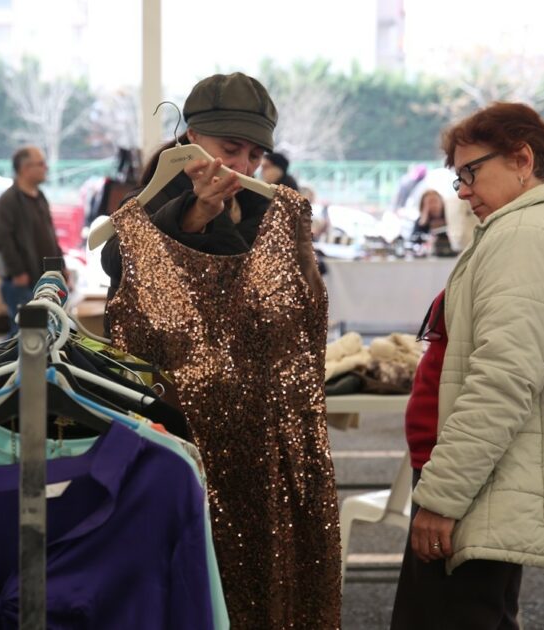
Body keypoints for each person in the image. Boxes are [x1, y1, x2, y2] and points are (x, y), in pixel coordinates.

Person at [100, 72, 340, 628]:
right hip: (172, 447)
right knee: (181, 586)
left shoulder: (278, 215)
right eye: (231, 149)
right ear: (190, 139)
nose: (246, 165)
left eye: (256, 154)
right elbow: (123, 261)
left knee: (266, 595)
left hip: (271, 450)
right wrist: (194, 218)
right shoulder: (145, 209)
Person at [391, 102, 544, 628]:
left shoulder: (529, 235)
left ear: (523, 159)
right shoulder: (538, 226)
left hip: (479, 483)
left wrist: (442, 498)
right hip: (486, 477)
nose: (462, 191)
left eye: (471, 172)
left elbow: (502, 382)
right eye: (456, 177)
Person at [0, 145, 63, 333]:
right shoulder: (7, 202)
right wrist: (18, 272)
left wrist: (61, 267)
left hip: (43, 280)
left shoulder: (40, 197)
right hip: (22, 282)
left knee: (45, 334)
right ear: (25, 169)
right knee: (24, 336)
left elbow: (50, 235)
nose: (45, 168)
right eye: (41, 163)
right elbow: (3, 240)